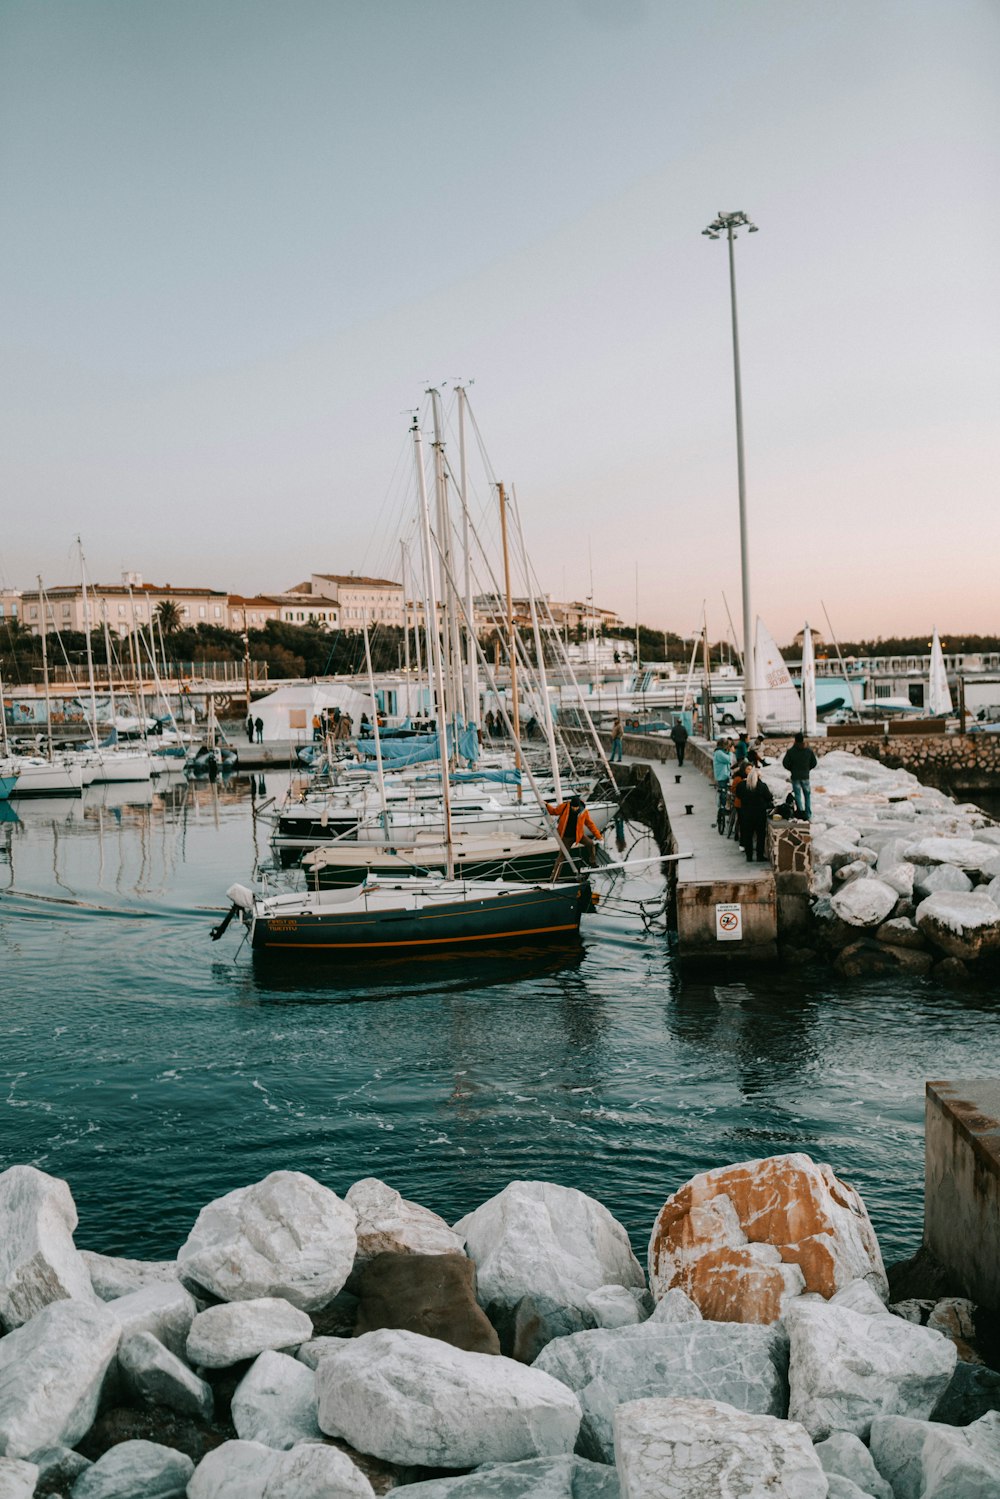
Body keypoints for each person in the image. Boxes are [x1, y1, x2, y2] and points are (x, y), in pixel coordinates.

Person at [545, 794, 603, 867]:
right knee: (561, 857)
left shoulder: (584, 812)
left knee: (591, 844)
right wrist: (546, 805)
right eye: (573, 807)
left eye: (576, 807)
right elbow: (554, 812)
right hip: (566, 837)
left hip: (579, 835)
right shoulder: (564, 806)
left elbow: (590, 825)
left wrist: (599, 836)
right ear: (570, 805)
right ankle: (554, 876)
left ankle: (592, 862)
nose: (575, 809)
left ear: (579, 806)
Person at [740, 760, 773, 861]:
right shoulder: (762, 786)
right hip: (759, 814)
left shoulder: (743, 786)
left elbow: (738, 795)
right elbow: (769, 797)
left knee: (748, 835)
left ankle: (749, 856)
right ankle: (759, 855)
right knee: (760, 835)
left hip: (746, 814)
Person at [782, 731, 818, 818]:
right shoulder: (808, 750)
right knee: (807, 796)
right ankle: (808, 814)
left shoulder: (791, 751)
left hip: (795, 777)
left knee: (797, 795)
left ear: (795, 740)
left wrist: (792, 769)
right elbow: (814, 762)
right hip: (805, 776)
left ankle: (800, 812)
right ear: (803, 740)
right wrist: (807, 769)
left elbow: (785, 763)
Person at [712, 738, 733, 826]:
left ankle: (723, 806)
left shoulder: (719, 752)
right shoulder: (719, 753)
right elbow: (729, 760)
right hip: (722, 776)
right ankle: (722, 808)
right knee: (723, 792)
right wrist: (731, 752)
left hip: (724, 775)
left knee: (725, 792)